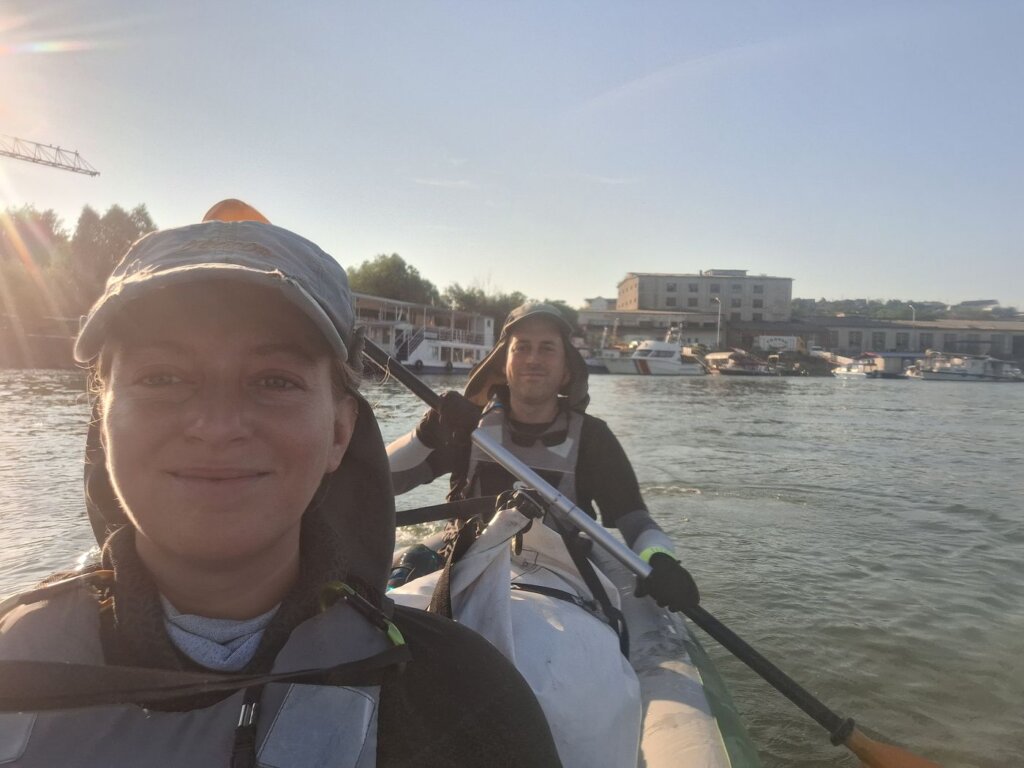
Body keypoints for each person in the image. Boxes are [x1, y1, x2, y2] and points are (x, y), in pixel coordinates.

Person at [0, 202, 561, 767]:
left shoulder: (465, 703)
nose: (217, 428)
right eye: (162, 377)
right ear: (103, 420)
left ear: (340, 432)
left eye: (274, 380)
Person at [387, 301, 700, 614]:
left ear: (567, 370)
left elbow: (635, 521)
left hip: (561, 576)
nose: (533, 359)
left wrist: (660, 559)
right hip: (465, 564)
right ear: (503, 366)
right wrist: (424, 435)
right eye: (522, 348)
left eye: (547, 348)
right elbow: (386, 482)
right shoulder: (467, 426)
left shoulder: (593, 438)